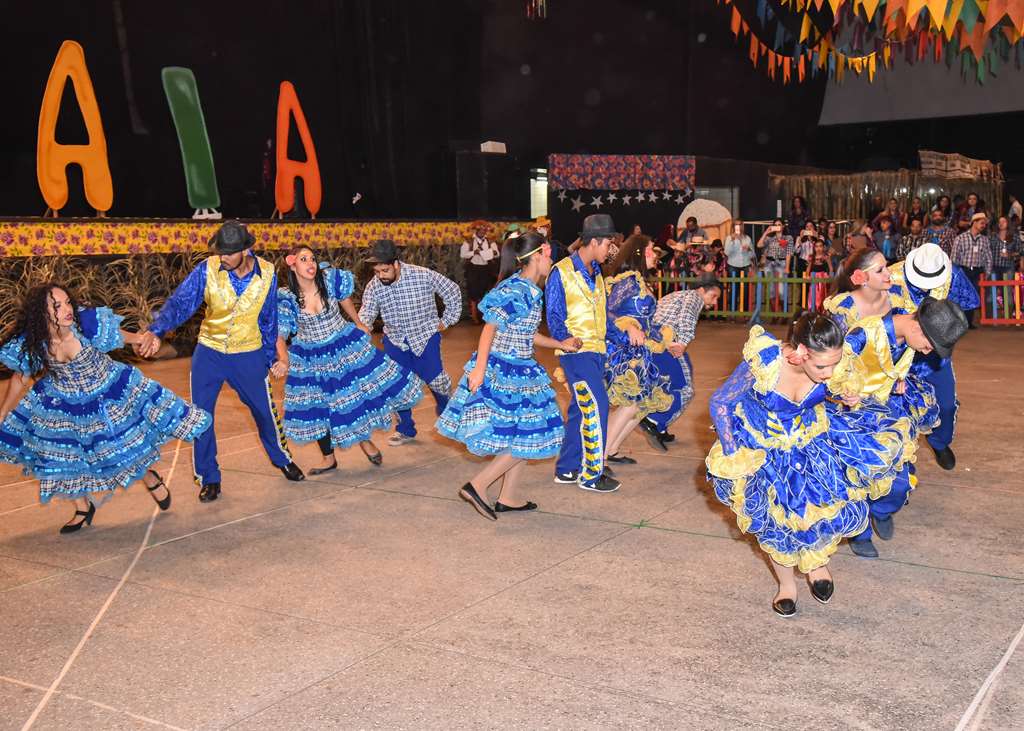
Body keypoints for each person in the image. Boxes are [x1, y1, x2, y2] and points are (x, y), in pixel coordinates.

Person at [706, 312, 905, 616]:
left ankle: (817, 566)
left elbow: (840, 389)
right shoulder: (765, 362)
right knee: (776, 522)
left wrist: (848, 398)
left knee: (819, 508)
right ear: (801, 352)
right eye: (822, 366)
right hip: (768, 452)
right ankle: (787, 586)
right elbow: (720, 403)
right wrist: (735, 455)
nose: (830, 372)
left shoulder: (833, 366)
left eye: (835, 364)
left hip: (812, 443)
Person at [0, 284, 211, 532]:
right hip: (63, 402)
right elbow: (20, 376)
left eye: (67, 302)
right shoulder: (34, 339)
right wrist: (3, 412)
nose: (67, 309)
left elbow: (124, 336)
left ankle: (149, 476)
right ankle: (82, 507)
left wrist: (145, 339)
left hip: (105, 394)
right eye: (57, 306)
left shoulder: (85, 324)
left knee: (120, 449)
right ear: (41, 312)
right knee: (58, 457)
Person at [138, 220, 305, 503]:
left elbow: (268, 319)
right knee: (201, 416)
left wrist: (268, 358)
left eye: (228, 252)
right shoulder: (207, 269)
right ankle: (209, 477)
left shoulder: (267, 273)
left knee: (264, 412)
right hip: (210, 353)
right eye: (220, 251)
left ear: (245, 250)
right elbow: (181, 302)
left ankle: (282, 458)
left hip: (248, 352)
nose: (223, 256)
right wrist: (156, 330)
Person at [438, 232, 579, 520]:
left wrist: (560, 344)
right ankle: (478, 485)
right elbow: (489, 327)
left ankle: (509, 497)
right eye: (550, 255)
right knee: (533, 432)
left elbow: (527, 334)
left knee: (525, 435)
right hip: (506, 370)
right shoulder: (516, 288)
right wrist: (479, 370)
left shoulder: (529, 289)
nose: (552, 261)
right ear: (538, 255)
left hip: (520, 367)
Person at [830, 299, 968, 558]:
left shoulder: (907, 333)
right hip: (849, 418)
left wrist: (895, 383)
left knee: (899, 482)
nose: (928, 352)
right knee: (857, 477)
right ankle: (860, 531)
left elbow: (887, 369)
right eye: (929, 345)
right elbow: (829, 374)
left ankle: (881, 510)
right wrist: (843, 394)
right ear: (918, 328)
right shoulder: (862, 336)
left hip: (884, 412)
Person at [273, 246, 423, 475]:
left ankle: (364, 441)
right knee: (318, 407)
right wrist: (284, 359)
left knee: (349, 398)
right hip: (311, 357)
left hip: (342, 344)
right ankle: (328, 459)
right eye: (303, 259)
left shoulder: (329, 279)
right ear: (292, 265)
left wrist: (359, 322)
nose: (311, 263)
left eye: (312, 258)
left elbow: (344, 299)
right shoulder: (287, 298)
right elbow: (280, 334)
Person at [358, 238, 463, 445]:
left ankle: (448, 414)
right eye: (377, 271)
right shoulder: (374, 286)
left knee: (436, 380)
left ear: (396, 264)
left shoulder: (422, 275)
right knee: (396, 386)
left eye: (385, 270)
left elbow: (452, 290)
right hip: (395, 340)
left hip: (425, 335)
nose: (380, 275)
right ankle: (405, 429)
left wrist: (447, 320)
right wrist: (361, 331)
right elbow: (367, 313)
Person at [546, 213, 620, 493]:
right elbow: (554, 316)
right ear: (594, 241)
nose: (611, 250)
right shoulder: (561, 271)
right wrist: (565, 339)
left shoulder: (597, 273)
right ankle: (591, 474)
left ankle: (567, 468)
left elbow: (602, 317)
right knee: (597, 406)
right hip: (576, 353)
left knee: (581, 409)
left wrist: (626, 337)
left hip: (597, 352)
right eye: (608, 244)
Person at [888, 243, 979, 470]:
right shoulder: (890, 276)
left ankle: (939, 441)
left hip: (934, 354)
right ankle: (900, 462)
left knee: (946, 405)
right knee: (897, 410)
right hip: (896, 355)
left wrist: (945, 329)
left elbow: (968, 303)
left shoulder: (953, 275)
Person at [602, 238, 675, 469]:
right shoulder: (629, 281)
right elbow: (606, 310)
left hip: (640, 351)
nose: (655, 254)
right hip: (623, 351)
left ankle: (611, 450)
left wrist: (661, 336)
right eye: (650, 250)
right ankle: (599, 457)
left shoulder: (639, 281)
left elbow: (644, 320)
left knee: (641, 405)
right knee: (631, 403)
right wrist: (629, 327)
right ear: (638, 253)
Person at [640, 273, 721, 450]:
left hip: (652, 343)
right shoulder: (695, 297)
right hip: (667, 344)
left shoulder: (676, 294)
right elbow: (686, 318)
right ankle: (654, 421)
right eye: (713, 296)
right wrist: (683, 342)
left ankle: (661, 428)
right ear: (702, 290)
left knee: (667, 386)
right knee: (685, 389)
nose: (714, 302)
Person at [824, 249, 896, 333]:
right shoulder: (844, 308)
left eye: (886, 266)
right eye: (879, 270)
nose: (888, 273)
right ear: (861, 277)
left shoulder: (897, 295)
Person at [950, 212, 992, 327]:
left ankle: (968, 322)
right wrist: (955, 274)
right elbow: (954, 257)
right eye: (982, 223)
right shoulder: (960, 238)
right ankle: (960, 322)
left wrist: (987, 273)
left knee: (973, 296)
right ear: (974, 223)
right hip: (964, 270)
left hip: (978, 271)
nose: (984, 225)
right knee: (962, 296)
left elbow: (988, 258)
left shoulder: (985, 240)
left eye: (985, 224)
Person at [461, 221, 500, 324]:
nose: (483, 232)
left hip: (486, 268)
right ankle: (474, 316)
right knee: (473, 291)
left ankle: (482, 315)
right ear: (476, 231)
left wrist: (494, 252)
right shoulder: (469, 241)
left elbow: (497, 254)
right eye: (481, 230)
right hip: (473, 268)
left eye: (484, 230)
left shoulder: (490, 241)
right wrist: (474, 252)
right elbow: (463, 254)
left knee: (483, 291)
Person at [757, 218, 792, 300]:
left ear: (783, 226)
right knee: (771, 289)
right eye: (775, 225)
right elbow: (759, 245)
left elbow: (789, 253)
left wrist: (787, 267)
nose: (777, 226)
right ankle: (774, 308)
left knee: (781, 290)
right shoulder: (769, 238)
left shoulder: (788, 238)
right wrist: (766, 232)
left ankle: (783, 307)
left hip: (781, 262)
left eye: (779, 224)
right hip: (769, 263)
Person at [990, 216, 1019, 281]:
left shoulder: (1014, 237)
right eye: (999, 222)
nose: (1001, 223)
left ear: (1008, 223)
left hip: (1008, 268)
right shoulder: (992, 236)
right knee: (993, 287)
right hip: (994, 268)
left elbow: (1020, 252)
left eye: (1003, 221)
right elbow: (988, 251)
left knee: (1006, 287)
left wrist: (1009, 254)